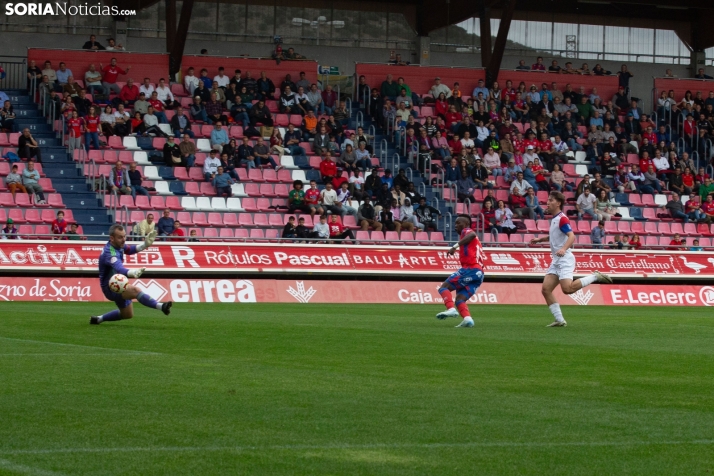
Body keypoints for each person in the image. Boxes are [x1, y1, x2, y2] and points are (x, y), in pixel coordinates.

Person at [530, 191, 613, 327]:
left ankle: (595, 276)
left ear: (558, 203)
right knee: (546, 289)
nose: (548, 202)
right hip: (556, 260)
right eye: (548, 200)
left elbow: (571, 236)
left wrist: (563, 249)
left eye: (551, 200)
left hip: (565, 259)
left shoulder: (562, 219)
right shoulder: (555, 219)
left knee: (567, 289)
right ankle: (559, 320)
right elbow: (556, 237)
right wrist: (540, 240)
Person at [89, 225, 171, 324]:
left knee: (127, 314)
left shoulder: (118, 244)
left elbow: (129, 249)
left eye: (124, 236)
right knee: (136, 291)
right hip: (110, 287)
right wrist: (132, 273)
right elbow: (120, 268)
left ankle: (98, 319)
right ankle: (162, 306)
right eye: (120, 237)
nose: (123, 240)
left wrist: (145, 245)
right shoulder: (110, 253)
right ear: (112, 238)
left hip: (117, 282)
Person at [435, 215, 485, 328]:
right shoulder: (469, 240)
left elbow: (472, 234)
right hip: (479, 273)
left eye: (458, 223)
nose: (456, 226)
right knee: (460, 299)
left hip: (471, 268)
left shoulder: (466, 231)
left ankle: (451, 309)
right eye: (455, 224)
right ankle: (468, 319)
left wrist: (454, 246)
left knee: (444, 287)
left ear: (466, 224)